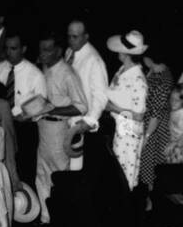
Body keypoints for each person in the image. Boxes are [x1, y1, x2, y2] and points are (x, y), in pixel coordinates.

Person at [33, 31, 87, 223]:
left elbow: (81, 106)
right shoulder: (44, 69)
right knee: (42, 174)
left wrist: (52, 110)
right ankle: (47, 219)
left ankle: (64, 220)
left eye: (48, 49)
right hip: (43, 130)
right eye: (41, 49)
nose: (43, 53)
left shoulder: (67, 74)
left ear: (59, 51)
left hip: (58, 130)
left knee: (59, 175)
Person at [0, 32, 47, 185]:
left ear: (23, 49)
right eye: (7, 48)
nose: (9, 52)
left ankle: (26, 203)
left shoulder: (35, 74)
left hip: (24, 128)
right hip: (1, 124)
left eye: (14, 48)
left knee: (24, 170)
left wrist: (24, 116)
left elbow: (41, 105)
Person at [105, 30, 149, 189]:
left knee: (125, 174)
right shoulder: (122, 70)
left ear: (125, 53)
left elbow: (138, 116)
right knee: (115, 173)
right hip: (117, 125)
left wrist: (112, 107)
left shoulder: (138, 79)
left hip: (128, 132)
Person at [65, 19, 111, 168]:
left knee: (77, 169)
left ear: (86, 36)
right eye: (69, 36)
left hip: (81, 126)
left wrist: (89, 120)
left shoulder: (94, 60)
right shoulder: (69, 52)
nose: (71, 40)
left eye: (75, 37)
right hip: (68, 119)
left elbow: (101, 95)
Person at [139, 46, 175, 192]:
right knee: (149, 165)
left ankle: (152, 198)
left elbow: (156, 113)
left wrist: (146, 136)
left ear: (150, 59)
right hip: (151, 122)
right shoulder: (156, 71)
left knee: (152, 165)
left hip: (156, 127)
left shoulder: (163, 81)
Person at [164, 85, 183, 165]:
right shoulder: (176, 110)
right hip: (174, 144)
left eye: (177, 100)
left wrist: (173, 145)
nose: (173, 102)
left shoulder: (182, 115)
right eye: (172, 99)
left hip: (179, 149)